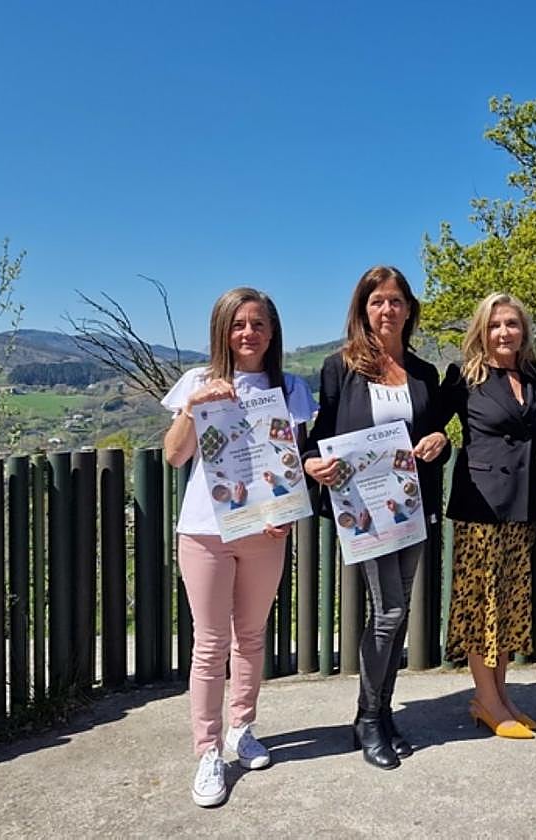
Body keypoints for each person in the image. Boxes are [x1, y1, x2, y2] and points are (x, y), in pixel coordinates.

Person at [162, 287, 317, 807]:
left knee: (250, 639)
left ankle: (242, 729)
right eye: (238, 324)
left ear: (272, 333)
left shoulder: (291, 388)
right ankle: (207, 752)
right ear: (222, 330)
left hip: (263, 531)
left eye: (258, 324)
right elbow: (175, 456)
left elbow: (291, 461)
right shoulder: (198, 381)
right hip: (206, 531)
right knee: (209, 645)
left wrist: (287, 514)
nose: (248, 332)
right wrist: (193, 407)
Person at [302, 265, 449, 770]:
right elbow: (319, 433)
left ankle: (382, 714)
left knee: (399, 611)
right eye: (377, 301)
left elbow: (432, 437)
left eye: (395, 301)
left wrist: (440, 442)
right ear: (363, 310)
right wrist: (310, 462)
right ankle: (367, 716)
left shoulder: (425, 373)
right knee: (387, 613)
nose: (387, 310)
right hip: (363, 510)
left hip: (410, 506)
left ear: (409, 309)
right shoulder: (339, 367)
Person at [438, 292, 536, 740]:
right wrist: (433, 442)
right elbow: (429, 424)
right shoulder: (464, 376)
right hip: (480, 506)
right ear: (481, 331)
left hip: (522, 505)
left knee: (509, 607)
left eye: (512, 324)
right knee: (481, 606)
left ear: (523, 330)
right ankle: (487, 700)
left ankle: (500, 697)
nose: (504, 332)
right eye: (495, 325)